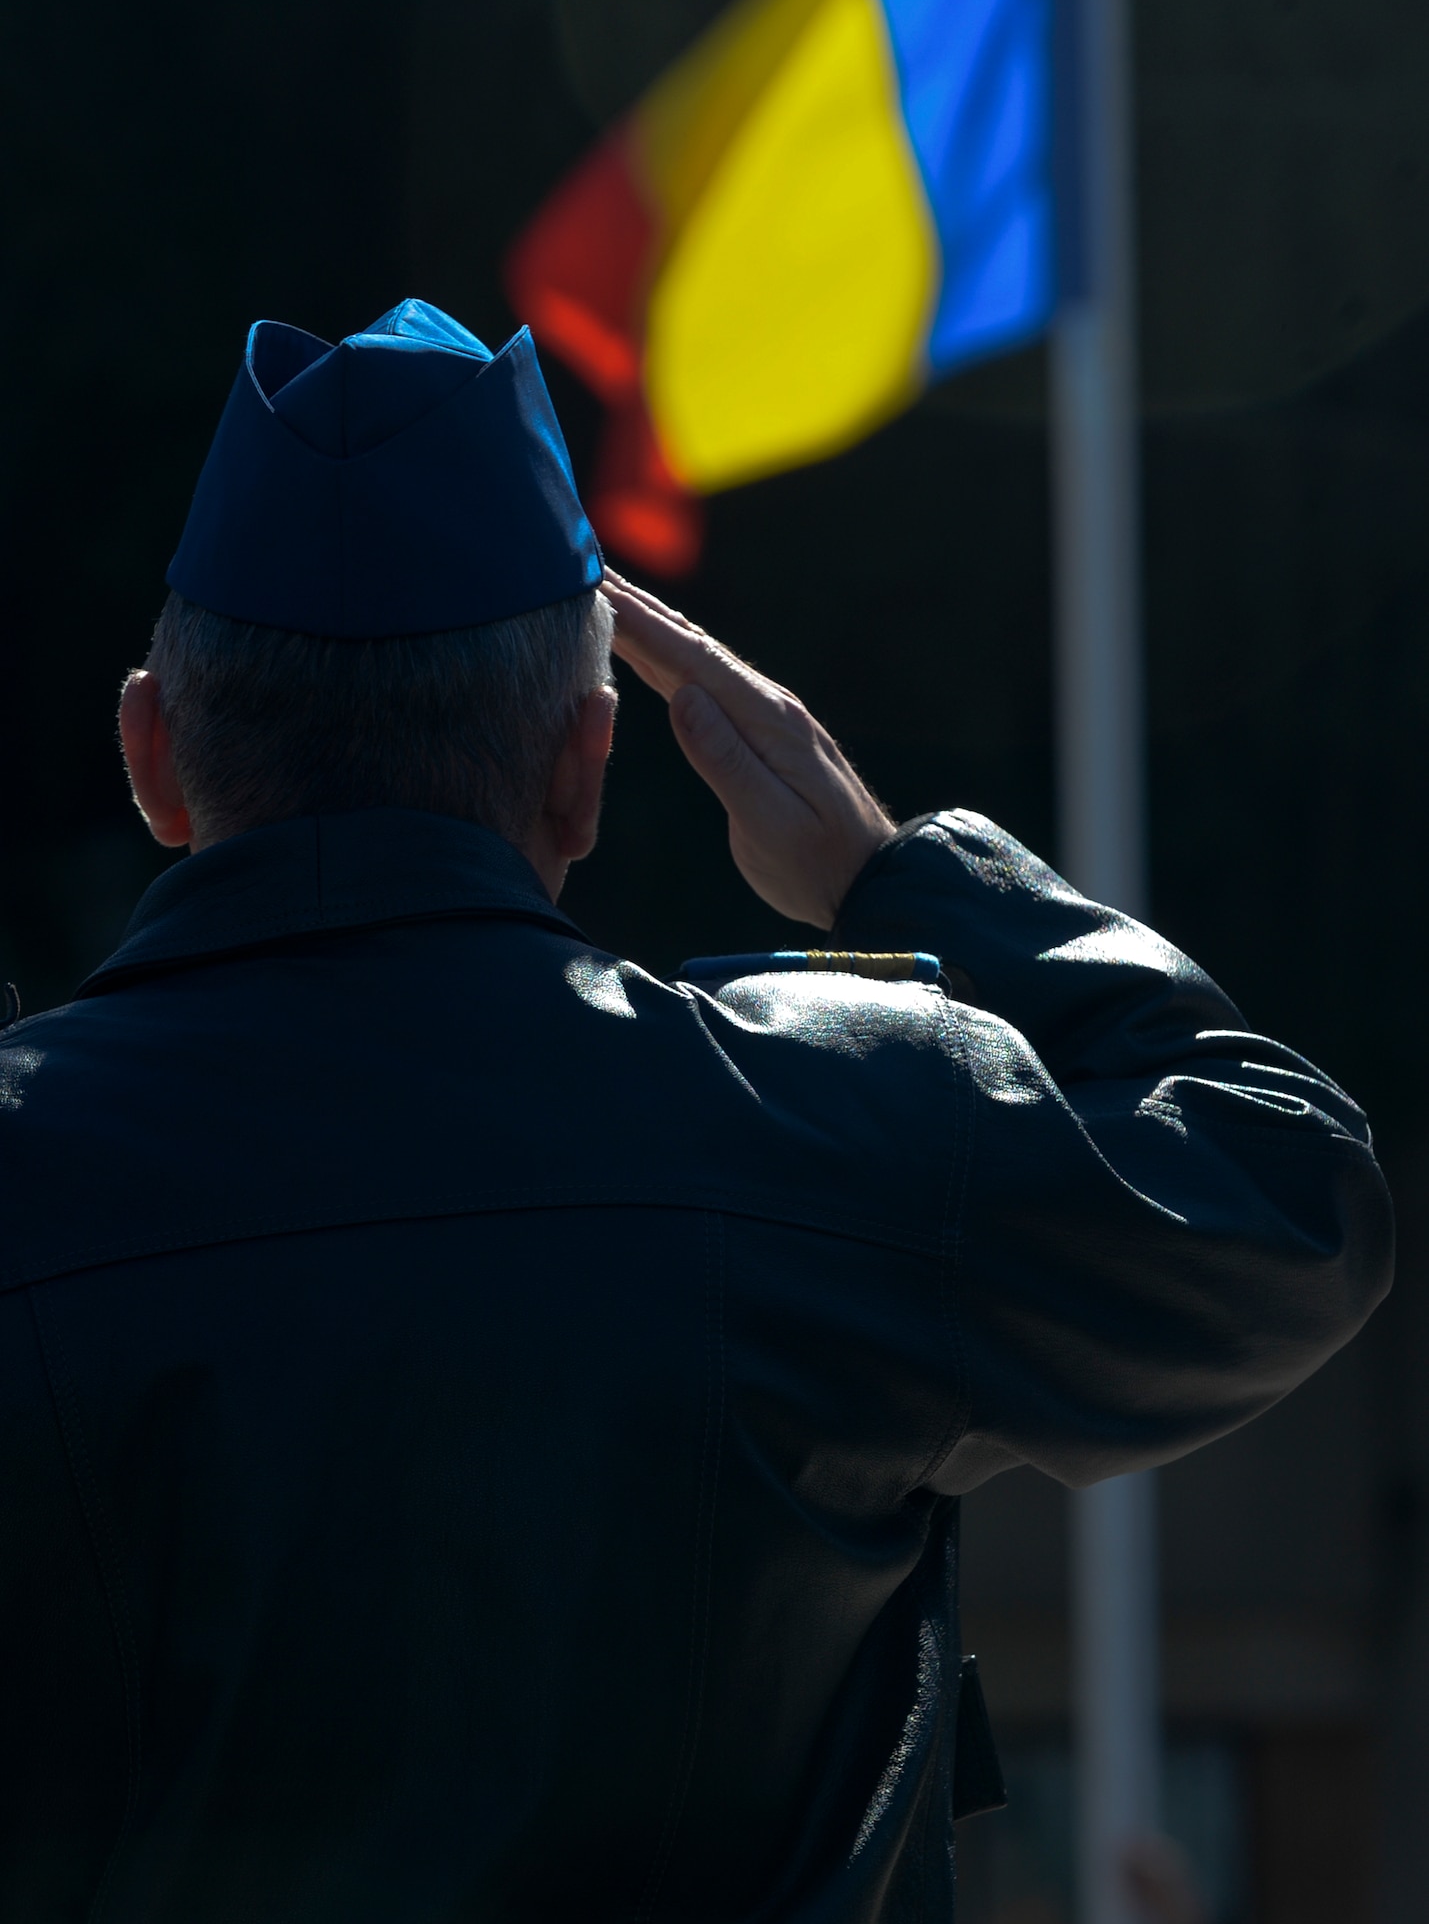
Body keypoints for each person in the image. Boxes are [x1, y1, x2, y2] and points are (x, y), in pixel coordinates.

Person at [0, 300, 1391, 1924]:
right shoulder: (833, 1127)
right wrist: (896, 871)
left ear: (153, 753)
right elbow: (1288, 1188)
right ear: (584, 770)